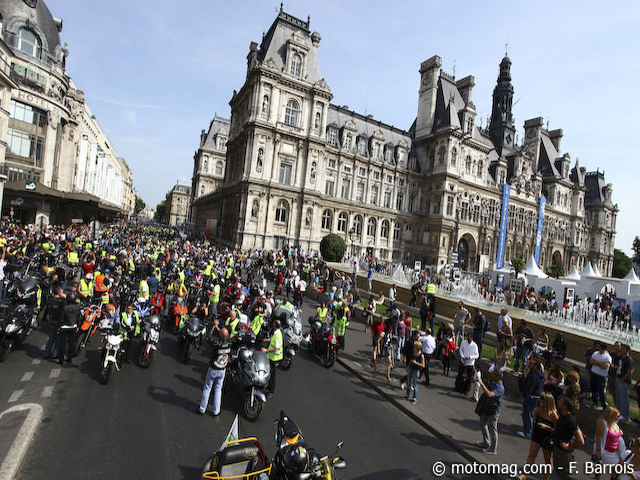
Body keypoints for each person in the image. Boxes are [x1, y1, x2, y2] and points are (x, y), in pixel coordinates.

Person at [519, 392, 558, 480]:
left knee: (547, 459)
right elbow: (534, 420)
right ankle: (524, 474)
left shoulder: (553, 414)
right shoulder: (539, 409)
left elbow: (557, 429)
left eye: (542, 399)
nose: (540, 401)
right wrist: (536, 411)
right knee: (531, 455)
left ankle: (546, 477)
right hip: (537, 435)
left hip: (547, 438)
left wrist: (547, 427)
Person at [198, 326, 231, 416]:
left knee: (207, 388)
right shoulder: (229, 343)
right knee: (218, 390)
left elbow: (208, 337)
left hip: (214, 369)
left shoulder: (216, 344)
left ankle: (202, 409)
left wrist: (213, 328)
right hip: (222, 369)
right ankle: (216, 411)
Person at [553, 396, 584, 480]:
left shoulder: (570, 420)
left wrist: (569, 447)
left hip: (564, 454)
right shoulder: (562, 417)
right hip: (558, 450)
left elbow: (580, 441)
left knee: (566, 476)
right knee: (560, 474)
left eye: (561, 401)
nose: (559, 401)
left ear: (565, 406)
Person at [476, 370, 505, 455]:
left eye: (494, 375)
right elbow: (489, 387)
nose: (492, 376)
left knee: (493, 429)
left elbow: (490, 394)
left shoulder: (500, 388)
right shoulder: (494, 383)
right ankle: (486, 442)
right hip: (487, 407)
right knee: (482, 423)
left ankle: (493, 449)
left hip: (493, 410)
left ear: (498, 377)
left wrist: (481, 384)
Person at [519, 356, 545, 439]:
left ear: (536, 366)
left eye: (531, 364)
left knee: (527, 414)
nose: (530, 365)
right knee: (532, 414)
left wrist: (524, 396)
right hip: (537, 397)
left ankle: (527, 432)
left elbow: (529, 387)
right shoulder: (541, 375)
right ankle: (531, 430)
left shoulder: (533, 375)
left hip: (531, 397)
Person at [594, 407, 626, 473]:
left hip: (614, 453)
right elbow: (598, 437)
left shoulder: (615, 425)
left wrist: (620, 433)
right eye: (618, 416)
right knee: (599, 469)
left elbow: (616, 436)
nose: (619, 418)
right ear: (611, 415)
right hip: (604, 451)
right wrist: (598, 450)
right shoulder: (603, 423)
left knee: (616, 469)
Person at [43, 287, 65, 360]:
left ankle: (46, 353)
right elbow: (61, 313)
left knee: (51, 338)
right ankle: (55, 353)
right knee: (58, 338)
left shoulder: (50, 299)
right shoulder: (60, 302)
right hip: (57, 321)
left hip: (51, 319)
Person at [59, 292, 80, 364]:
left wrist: (59, 327)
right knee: (71, 343)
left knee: (62, 344)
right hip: (73, 326)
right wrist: (77, 325)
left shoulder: (65, 307)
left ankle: (61, 359)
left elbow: (61, 317)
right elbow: (78, 317)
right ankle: (69, 358)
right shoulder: (77, 307)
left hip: (64, 327)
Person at [590, 342, 612, 409]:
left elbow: (605, 366)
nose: (599, 349)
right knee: (593, 388)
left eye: (600, 347)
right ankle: (594, 402)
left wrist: (596, 363)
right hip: (594, 373)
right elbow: (591, 361)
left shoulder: (607, 357)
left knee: (601, 390)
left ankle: (604, 404)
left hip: (601, 376)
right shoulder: (595, 354)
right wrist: (600, 363)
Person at [616, 344, 635, 421]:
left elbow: (630, 372)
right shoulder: (622, 358)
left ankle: (625, 415)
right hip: (618, 379)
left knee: (624, 398)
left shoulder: (629, 360)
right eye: (621, 348)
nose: (621, 350)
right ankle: (618, 412)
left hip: (624, 382)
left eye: (623, 349)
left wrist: (622, 379)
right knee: (619, 397)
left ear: (627, 351)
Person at [404, 341, 425, 405]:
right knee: (409, 382)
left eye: (415, 346)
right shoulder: (414, 352)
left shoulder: (421, 355)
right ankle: (408, 395)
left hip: (416, 370)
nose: (414, 347)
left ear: (418, 347)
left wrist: (416, 363)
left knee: (415, 384)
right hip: (411, 369)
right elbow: (411, 360)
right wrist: (408, 367)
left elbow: (423, 365)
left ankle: (414, 398)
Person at [266, 319, 283, 396]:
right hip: (273, 357)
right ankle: (269, 387)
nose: (272, 324)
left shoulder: (277, 335)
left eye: (273, 323)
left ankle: (271, 390)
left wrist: (266, 350)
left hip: (274, 358)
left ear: (275, 325)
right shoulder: (277, 332)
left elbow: (275, 348)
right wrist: (267, 340)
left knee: (272, 375)